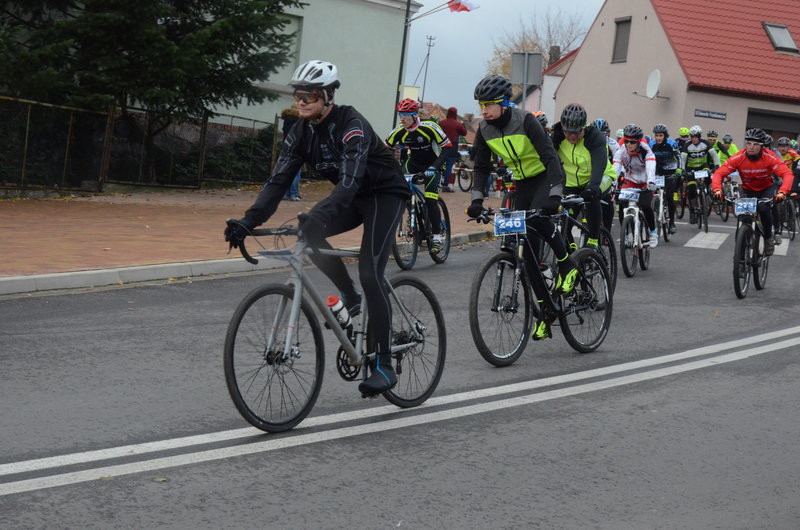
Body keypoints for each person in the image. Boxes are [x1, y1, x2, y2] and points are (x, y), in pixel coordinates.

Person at [224, 60, 410, 396]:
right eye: (298, 95)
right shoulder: (299, 131)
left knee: (371, 273)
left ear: (327, 96)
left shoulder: (351, 124)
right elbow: (278, 181)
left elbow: (350, 181)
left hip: (385, 194)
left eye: (309, 95)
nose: (302, 101)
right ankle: (350, 298)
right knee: (307, 230)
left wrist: (320, 211)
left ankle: (382, 364)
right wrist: (248, 220)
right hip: (352, 197)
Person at [466, 74, 577, 341]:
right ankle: (548, 310)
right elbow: (481, 167)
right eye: (481, 104)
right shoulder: (484, 129)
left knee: (539, 219)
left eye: (489, 104)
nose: (484, 110)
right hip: (521, 183)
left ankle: (567, 264)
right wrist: (476, 201)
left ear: (504, 103)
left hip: (543, 177)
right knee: (526, 257)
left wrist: (555, 194)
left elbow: (551, 158)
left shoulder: (525, 120)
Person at [385, 98, 455, 249]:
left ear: (414, 115)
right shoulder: (398, 131)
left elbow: (449, 147)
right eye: (400, 115)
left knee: (430, 200)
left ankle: (436, 235)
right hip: (413, 165)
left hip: (433, 165)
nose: (402, 119)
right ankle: (413, 220)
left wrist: (435, 167)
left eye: (405, 115)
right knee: (398, 191)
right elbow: (383, 149)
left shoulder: (429, 127)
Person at [712, 128, 794, 256]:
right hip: (747, 189)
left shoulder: (769, 157)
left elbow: (787, 174)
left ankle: (768, 238)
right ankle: (740, 252)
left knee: (763, 208)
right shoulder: (739, 157)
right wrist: (717, 189)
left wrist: (782, 192)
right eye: (749, 143)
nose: (751, 147)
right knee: (743, 216)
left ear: (762, 146)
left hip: (766, 188)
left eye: (755, 144)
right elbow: (719, 173)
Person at [552, 104, 617, 249]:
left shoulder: (595, 137)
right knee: (564, 219)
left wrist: (592, 187)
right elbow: (547, 161)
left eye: (577, 132)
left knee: (592, 196)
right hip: (572, 182)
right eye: (568, 132)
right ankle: (572, 250)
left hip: (601, 176)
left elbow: (599, 166)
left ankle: (593, 240)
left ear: (583, 127)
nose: (572, 136)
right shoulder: (557, 136)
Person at [613, 124, 659, 247]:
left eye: (632, 142)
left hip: (645, 182)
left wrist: (651, 182)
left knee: (645, 205)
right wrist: (612, 184)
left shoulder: (646, 151)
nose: (629, 144)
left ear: (638, 142)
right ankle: (627, 234)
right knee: (622, 205)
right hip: (630, 180)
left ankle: (653, 233)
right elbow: (616, 168)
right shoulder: (621, 150)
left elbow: (650, 167)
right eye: (626, 141)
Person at [680, 125, 720, 224]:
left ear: (699, 136)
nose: (693, 139)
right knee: (692, 189)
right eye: (692, 137)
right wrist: (682, 170)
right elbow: (683, 159)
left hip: (703, 166)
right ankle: (693, 211)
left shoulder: (705, 143)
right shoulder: (687, 145)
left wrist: (716, 166)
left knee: (707, 181)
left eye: (695, 137)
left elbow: (714, 155)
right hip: (691, 168)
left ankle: (706, 197)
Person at [649, 123, 681, 234]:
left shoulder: (672, 143)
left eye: (660, 135)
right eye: (656, 135)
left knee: (669, 197)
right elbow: (647, 158)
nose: (658, 138)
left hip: (670, 172)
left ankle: (672, 222)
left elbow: (679, 157)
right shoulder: (651, 144)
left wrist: (679, 169)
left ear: (665, 136)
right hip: (657, 172)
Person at [438, 106, 468, 191]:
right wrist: (463, 125)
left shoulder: (441, 123)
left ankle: (436, 182)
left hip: (442, 145)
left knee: (438, 164)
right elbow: (464, 133)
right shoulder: (457, 124)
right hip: (452, 147)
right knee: (449, 167)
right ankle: (445, 185)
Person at [280, 105, 302, 201]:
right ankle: (293, 194)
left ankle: (285, 194)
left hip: (286, 148)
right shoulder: (299, 121)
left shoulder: (286, 120)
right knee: (296, 173)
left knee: (286, 172)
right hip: (297, 148)